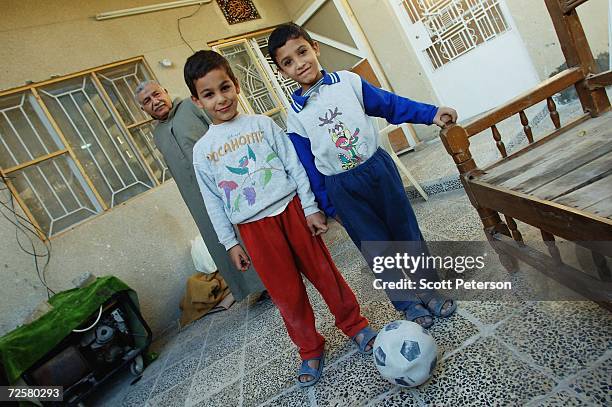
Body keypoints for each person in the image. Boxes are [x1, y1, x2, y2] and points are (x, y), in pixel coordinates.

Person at [184, 50, 377, 386]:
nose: (220, 99)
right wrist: (230, 243)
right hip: (254, 230)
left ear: (237, 85)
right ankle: (310, 349)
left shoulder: (262, 125)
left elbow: (294, 166)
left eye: (225, 87)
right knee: (286, 294)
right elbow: (213, 202)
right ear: (197, 101)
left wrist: (309, 207)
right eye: (209, 94)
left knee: (325, 275)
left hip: (291, 211)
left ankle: (355, 325)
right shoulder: (202, 153)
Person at [268, 23, 458, 328]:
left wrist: (430, 113)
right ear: (282, 71)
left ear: (314, 48)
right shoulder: (296, 114)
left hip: (378, 170)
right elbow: (308, 165)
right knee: (376, 247)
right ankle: (407, 303)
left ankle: (429, 289)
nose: (299, 63)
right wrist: (328, 208)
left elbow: (390, 105)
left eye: (302, 52)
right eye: (288, 62)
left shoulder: (349, 82)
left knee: (405, 231)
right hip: (342, 188)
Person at [134, 81, 265, 302]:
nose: (155, 101)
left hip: (227, 183)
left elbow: (224, 130)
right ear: (143, 109)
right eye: (147, 101)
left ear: (165, 91)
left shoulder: (191, 107)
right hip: (196, 197)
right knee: (218, 239)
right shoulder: (158, 135)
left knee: (246, 229)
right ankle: (250, 286)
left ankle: (268, 276)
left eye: (156, 94)